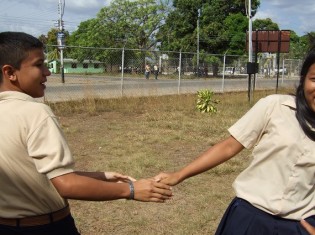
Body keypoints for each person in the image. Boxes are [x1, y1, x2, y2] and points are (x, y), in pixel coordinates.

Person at [0, 31, 172, 235]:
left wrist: (101, 177)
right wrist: (132, 190)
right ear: (10, 72)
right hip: (44, 227)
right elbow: (65, 185)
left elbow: (36, 175)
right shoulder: (36, 112)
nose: (47, 72)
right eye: (39, 65)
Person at [155, 50, 315, 234]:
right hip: (249, 219)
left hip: (299, 227)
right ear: (303, 79)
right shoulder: (275, 106)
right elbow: (229, 147)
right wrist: (178, 175)